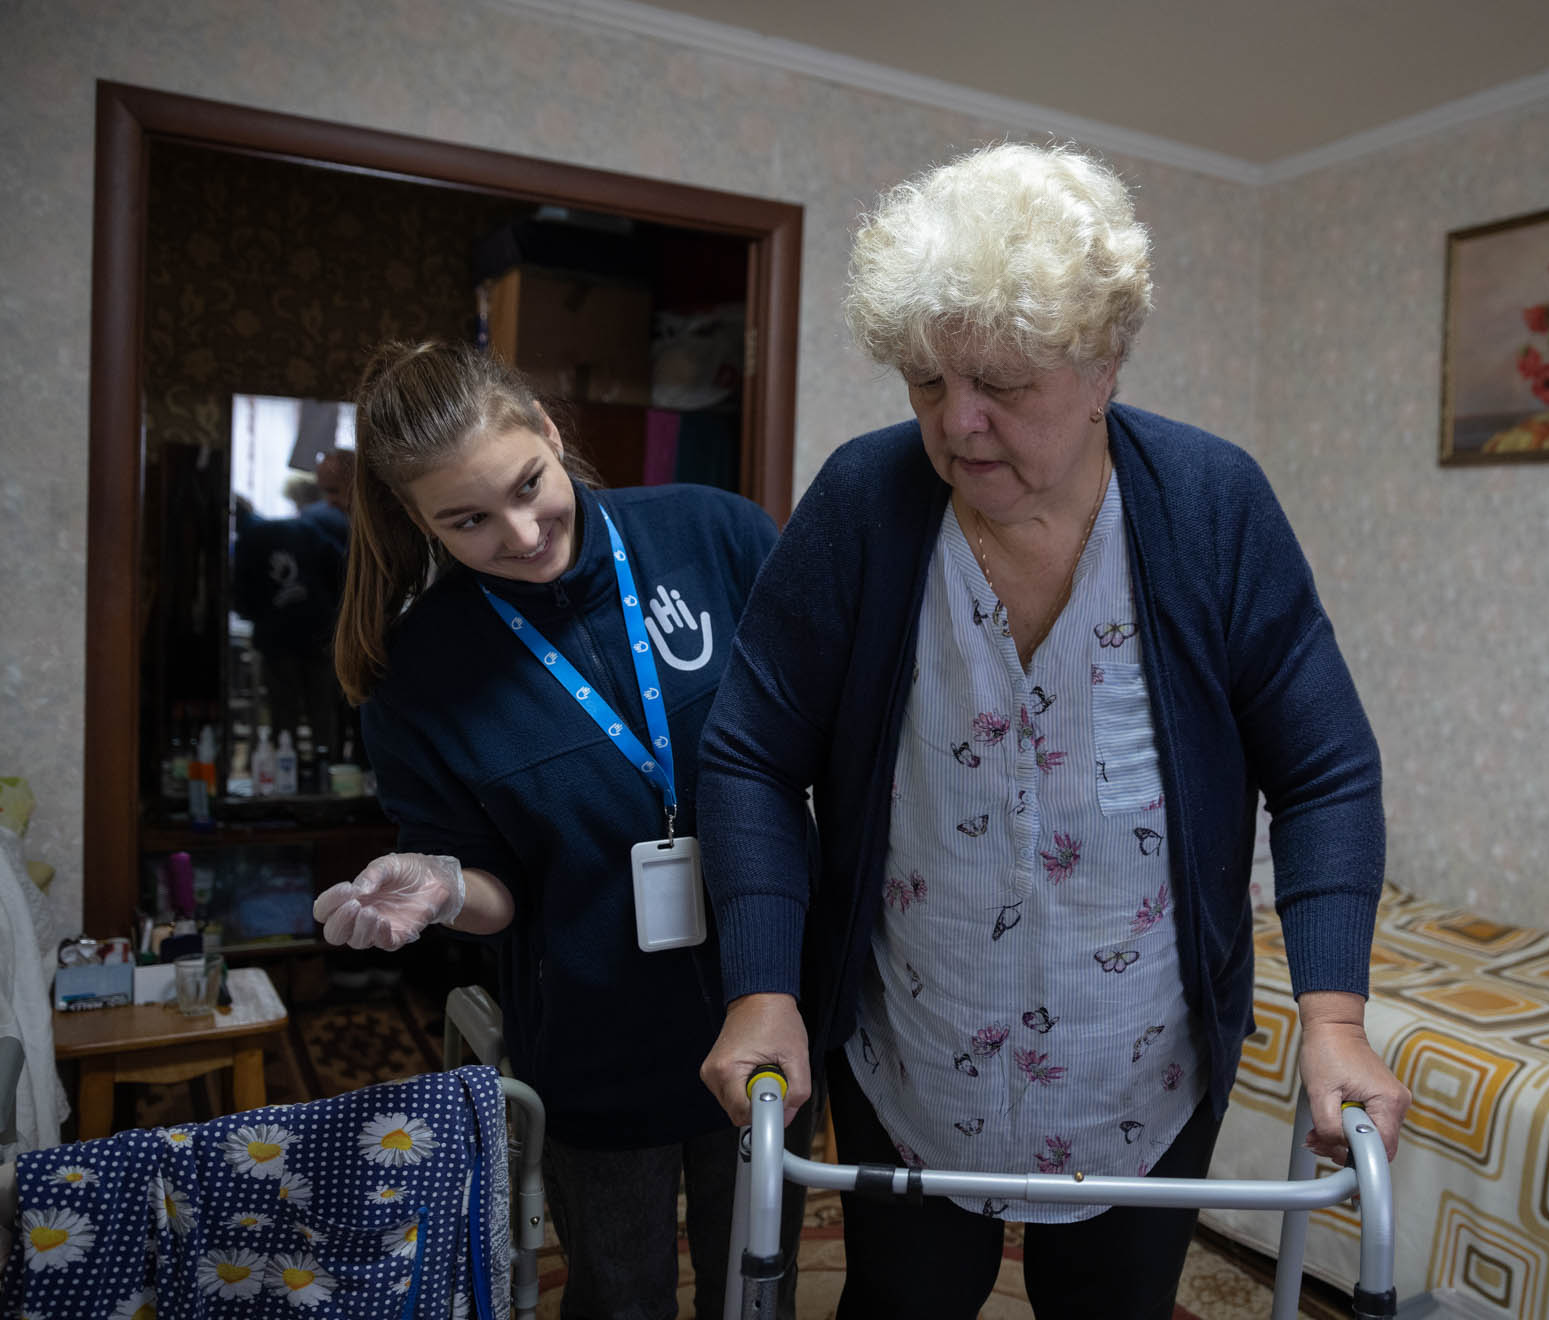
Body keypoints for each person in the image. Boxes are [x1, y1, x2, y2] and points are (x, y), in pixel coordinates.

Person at [696, 142, 1412, 1318]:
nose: (958, 424)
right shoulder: (863, 507)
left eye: (1001, 384)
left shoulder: (1211, 507)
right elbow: (750, 755)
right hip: (914, 1051)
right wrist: (763, 983)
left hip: (1140, 1067)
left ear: (1104, 365)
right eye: (927, 383)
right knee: (900, 1303)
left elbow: (1326, 770)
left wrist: (1333, 1015)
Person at [313, 340, 803, 1320]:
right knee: (619, 1296)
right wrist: (449, 888)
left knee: (760, 1290)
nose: (526, 532)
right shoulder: (419, 675)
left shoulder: (718, 536)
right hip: (595, 1047)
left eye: (530, 485)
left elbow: (810, 744)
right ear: (417, 521)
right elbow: (498, 891)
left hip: (766, 1005)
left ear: (547, 427)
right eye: (469, 521)